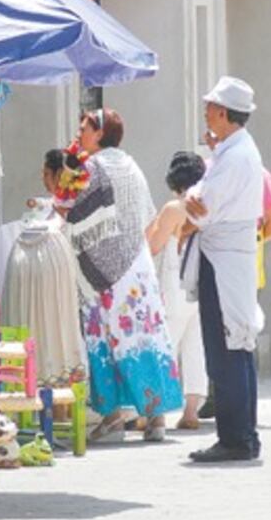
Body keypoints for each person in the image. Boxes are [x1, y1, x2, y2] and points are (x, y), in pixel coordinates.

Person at [60, 108, 183, 443]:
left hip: (103, 271)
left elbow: (74, 211)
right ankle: (155, 418)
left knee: (101, 338)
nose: (80, 132)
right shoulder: (131, 163)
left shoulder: (92, 167)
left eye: (84, 127)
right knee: (143, 335)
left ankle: (112, 415)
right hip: (136, 264)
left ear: (99, 132)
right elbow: (145, 216)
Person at [181, 76, 265, 462]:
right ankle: (241, 434)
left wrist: (191, 200)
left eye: (211, 107)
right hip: (228, 255)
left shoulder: (235, 156)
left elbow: (202, 205)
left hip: (223, 257)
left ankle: (236, 438)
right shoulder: (235, 150)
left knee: (227, 347)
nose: (206, 112)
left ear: (225, 113)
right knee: (236, 346)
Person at [145, 152, 208, 430]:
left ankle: (154, 409)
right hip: (201, 280)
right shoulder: (206, 205)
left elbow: (154, 246)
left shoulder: (173, 208)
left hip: (175, 280)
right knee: (196, 346)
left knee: (165, 343)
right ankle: (191, 410)